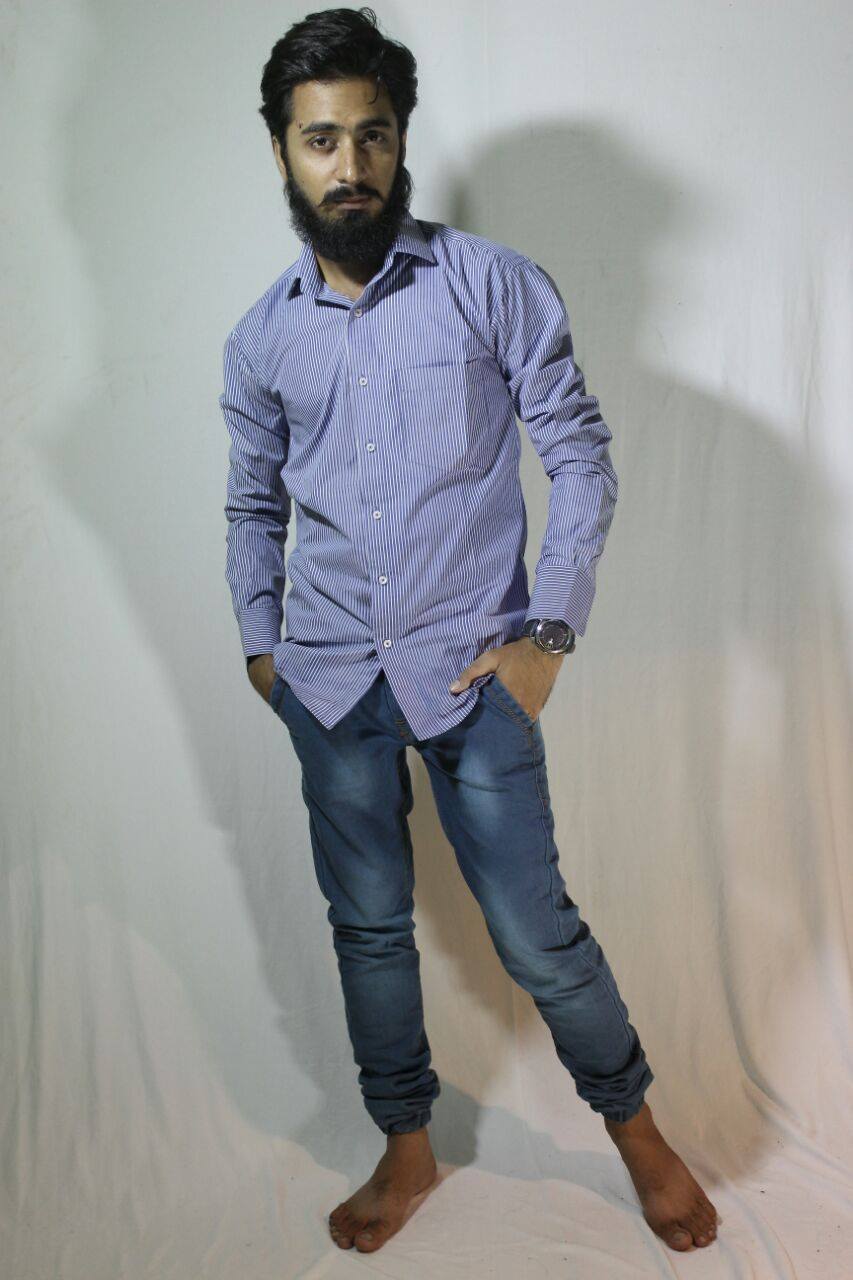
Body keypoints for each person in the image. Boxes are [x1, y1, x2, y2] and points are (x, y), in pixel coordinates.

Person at [219, 5, 719, 1257]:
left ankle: (636, 1129)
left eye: (372, 134)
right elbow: (252, 502)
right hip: (328, 682)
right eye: (320, 139)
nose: (350, 165)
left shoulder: (491, 284)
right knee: (368, 931)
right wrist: (262, 647)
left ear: (400, 140)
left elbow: (579, 455)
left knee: (536, 932)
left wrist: (549, 633)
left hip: (476, 670)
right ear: (281, 151)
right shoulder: (260, 338)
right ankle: (407, 1147)